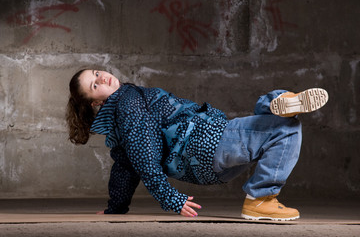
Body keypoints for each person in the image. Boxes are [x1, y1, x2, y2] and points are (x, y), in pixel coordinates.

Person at [66, 69, 329, 221]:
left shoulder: (118, 124)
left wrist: (116, 207)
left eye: (98, 72)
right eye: (95, 84)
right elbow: (144, 154)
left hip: (207, 167)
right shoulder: (127, 101)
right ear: (95, 104)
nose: (103, 78)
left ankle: (279, 104)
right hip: (207, 141)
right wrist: (169, 198)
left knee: (270, 117)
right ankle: (261, 199)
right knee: (287, 128)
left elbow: (125, 167)